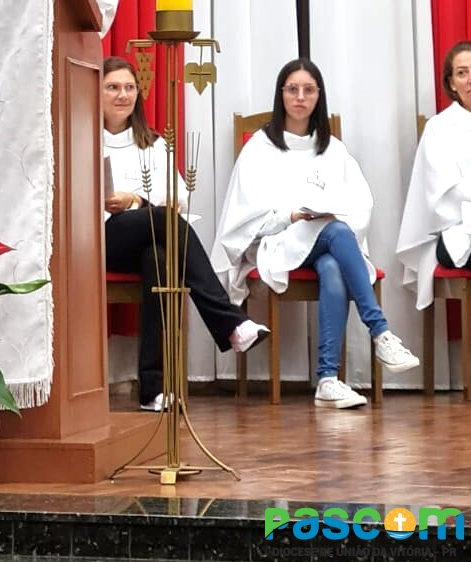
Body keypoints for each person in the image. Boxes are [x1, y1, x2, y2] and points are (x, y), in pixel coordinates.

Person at [211, 58, 419, 409]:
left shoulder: (332, 148)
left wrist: (325, 217)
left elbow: (360, 204)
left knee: (333, 262)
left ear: (319, 96)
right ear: (281, 95)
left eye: (309, 90)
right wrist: (289, 216)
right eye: (293, 89)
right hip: (277, 243)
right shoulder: (259, 147)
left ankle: (327, 379)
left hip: (326, 244)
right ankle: (381, 332)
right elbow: (244, 214)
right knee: (335, 231)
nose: (300, 97)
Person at [102, 56, 269, 411]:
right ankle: (230, 321)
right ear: (97, 92)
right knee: (165, 222)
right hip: (101, 238)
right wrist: (140, 205)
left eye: (129, 87)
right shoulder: (83, 141)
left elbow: (178, 198)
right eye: (113, 87)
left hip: (147, 237)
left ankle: (153, 390)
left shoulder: (152, 142)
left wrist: (135, 199)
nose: (122, 95)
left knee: (160, 259)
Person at [398, 41, 471, 309]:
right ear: (451, 83)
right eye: (462, 73)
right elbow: (446, 194)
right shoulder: (439, 128)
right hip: (455, 233)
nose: (469, 79)